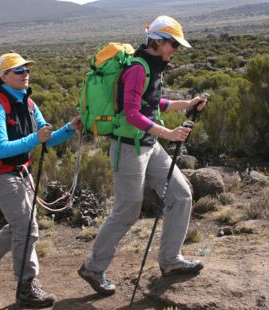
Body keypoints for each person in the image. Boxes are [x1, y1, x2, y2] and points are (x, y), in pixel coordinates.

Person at [78, 15, 207, 296]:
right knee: (127, 211)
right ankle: (93, 267)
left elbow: (152, 101)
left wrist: (186, 103)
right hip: (128, 148)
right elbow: (132, 112)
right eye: (173, 44)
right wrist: (168, 133)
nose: (176, 49)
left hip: (148, 146)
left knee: (181, 194)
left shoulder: (153, 66)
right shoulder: (138, 67)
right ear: (158, 41)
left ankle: (170, 261)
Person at [0, 52, 82, 308]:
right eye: (18, 70)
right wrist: (35, 139)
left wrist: (69, 128)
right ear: (5, 76)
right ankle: (26, 287)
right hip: (3, 174)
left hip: (21, 172)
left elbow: (47, 138)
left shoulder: (29, 103)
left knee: (22, 225)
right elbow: (0, 148)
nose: (25, 74)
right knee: (27, 228)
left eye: (26, 69)